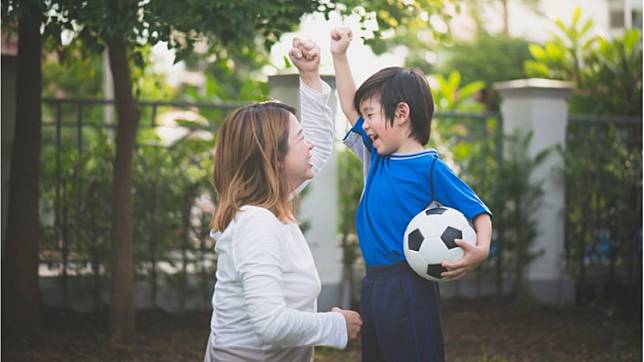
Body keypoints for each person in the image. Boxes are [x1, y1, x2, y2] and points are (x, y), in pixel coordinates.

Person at [330, 26, 494, 362]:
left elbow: (478, 211)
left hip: (408, 285)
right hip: (374, 283)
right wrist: (339, 56)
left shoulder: (429, 166)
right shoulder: (375, 156)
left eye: (370, 116)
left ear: (401, 113)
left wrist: (482, 248)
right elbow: (349, 106)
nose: (364, 124)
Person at [204, 37, 362, 362]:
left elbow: (318, 146)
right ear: (275, 158)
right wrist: (337, 325)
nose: (310, 146)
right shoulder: (256, 223)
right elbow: (270, 324)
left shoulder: (266, 206)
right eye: (299, 138)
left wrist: (310, 76)